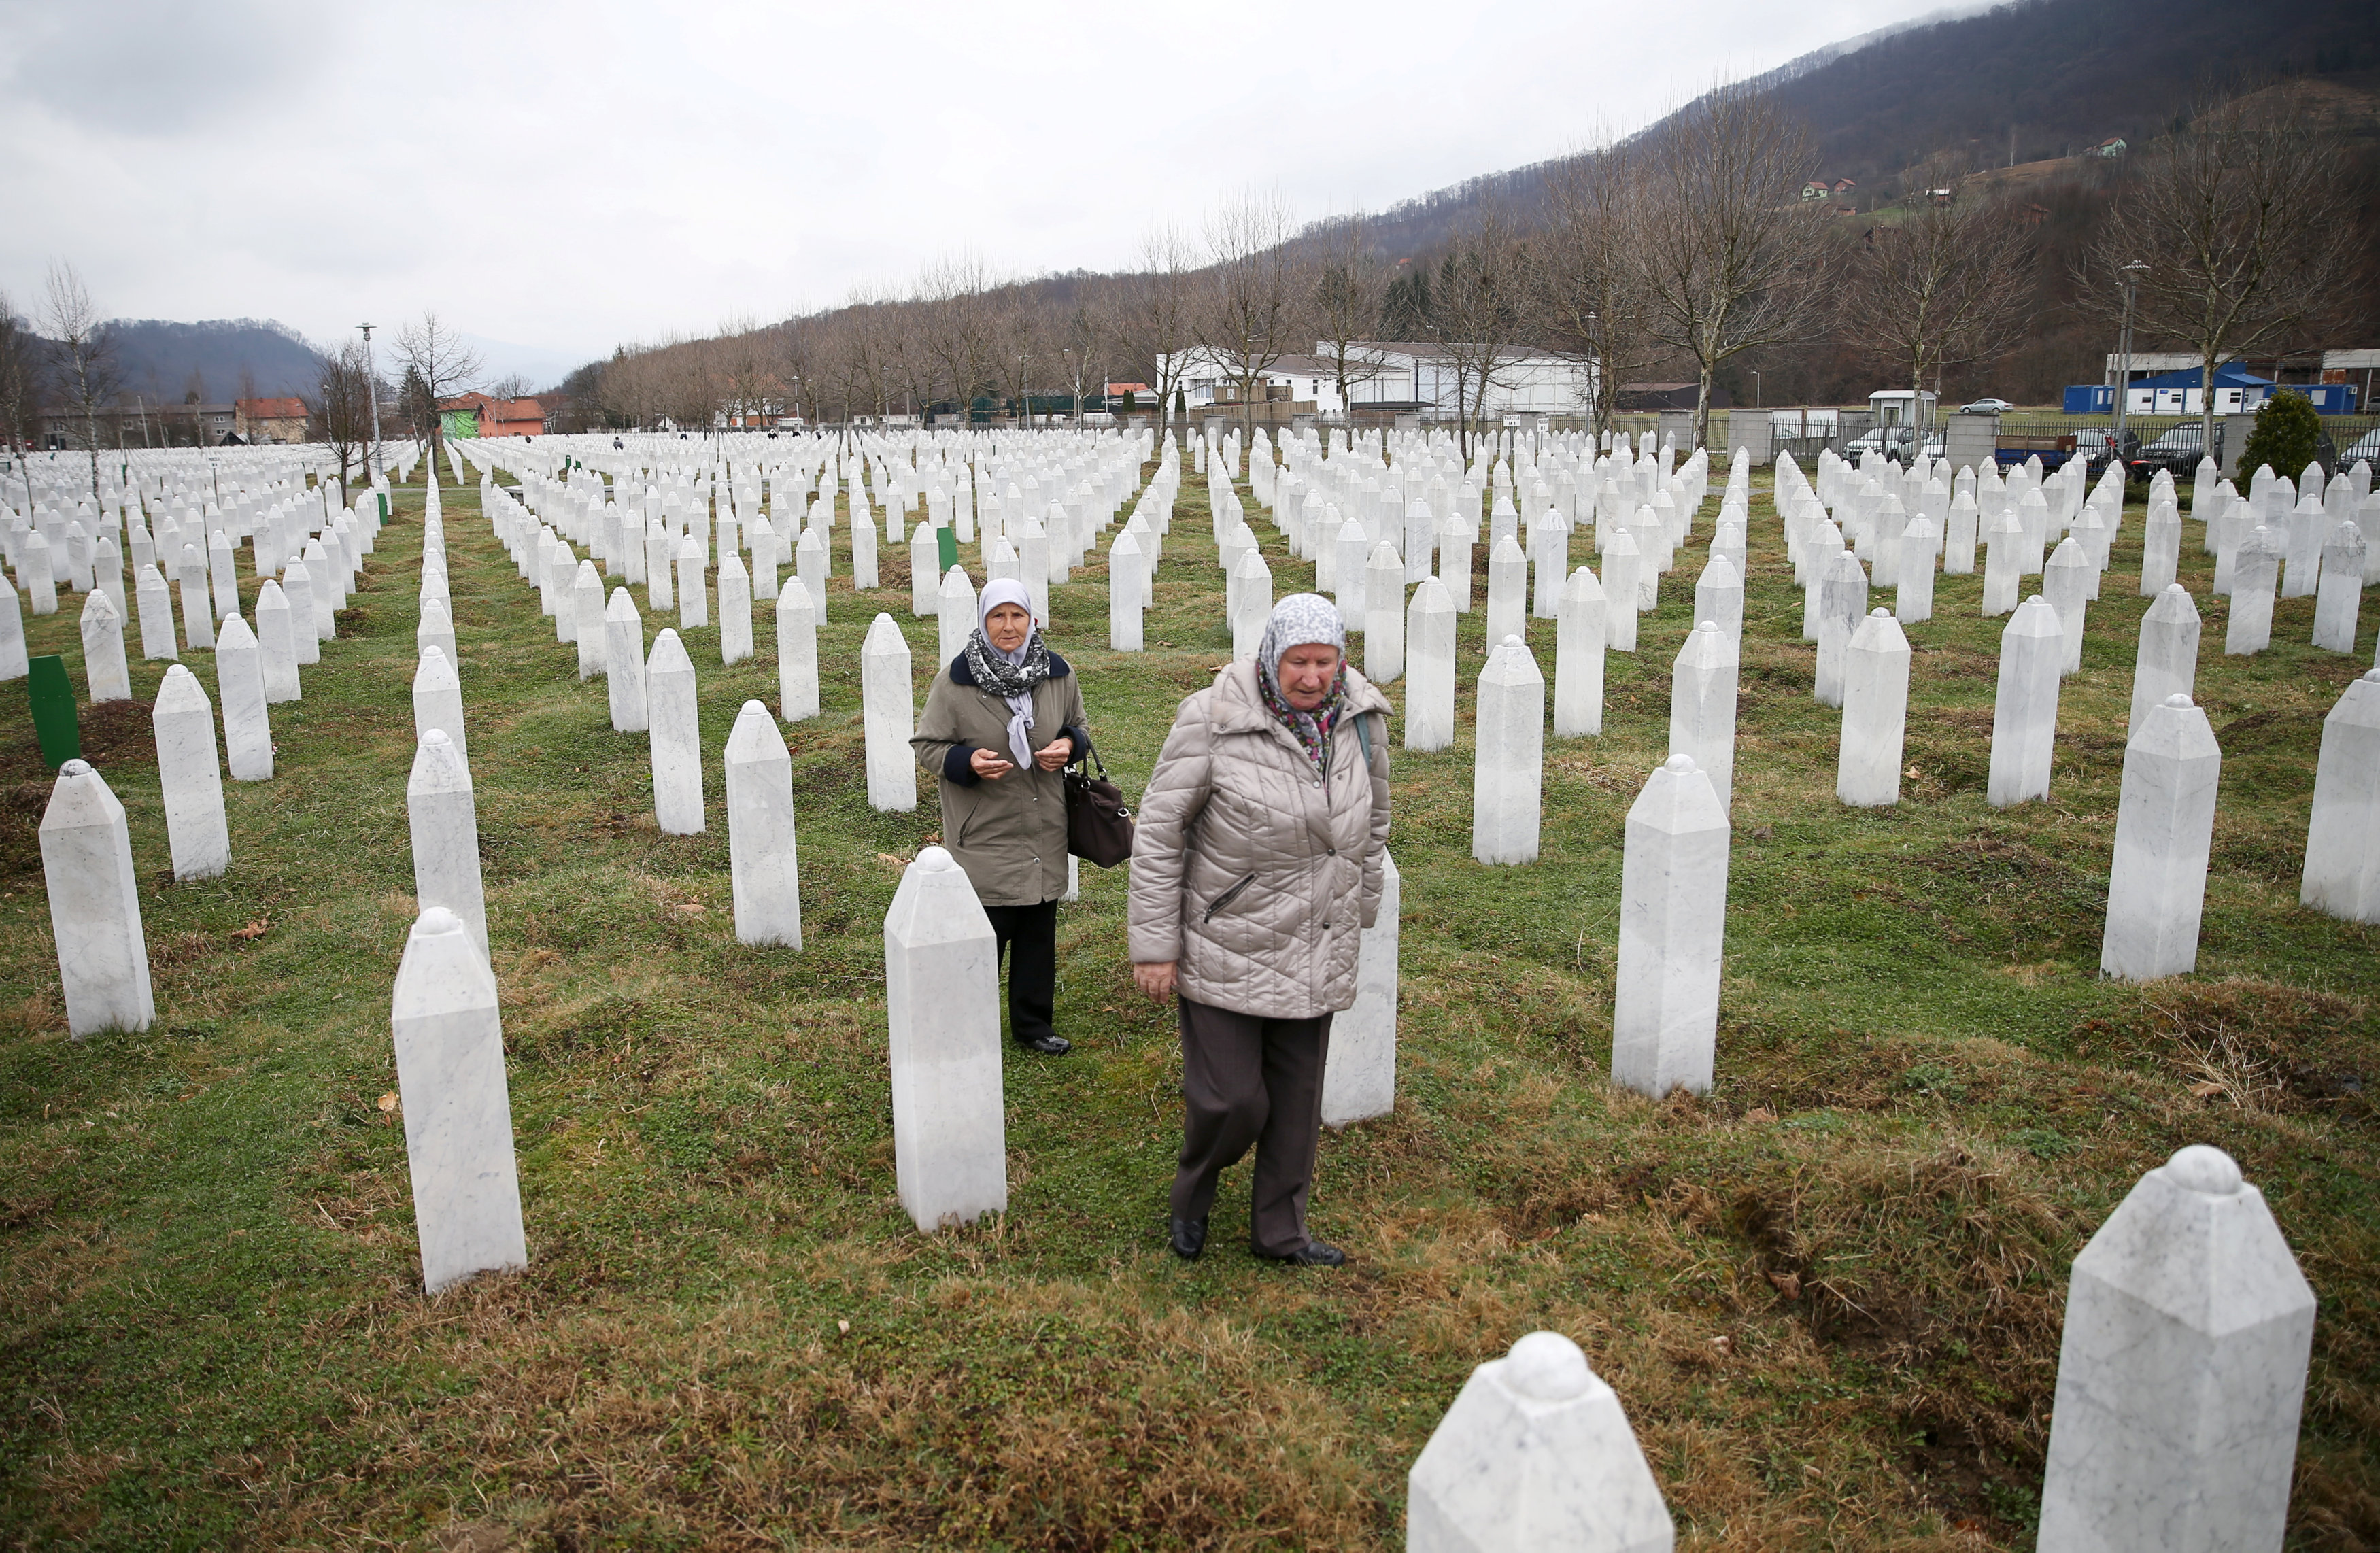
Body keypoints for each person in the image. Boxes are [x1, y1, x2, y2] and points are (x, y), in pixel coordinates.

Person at [1128, 594, 1391, 1266]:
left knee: (1298, 1102)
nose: (1310, 677)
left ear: (1342, 659)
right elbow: (1160, 833)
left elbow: (1373, 825)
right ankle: (1192, 1195)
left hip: (1317, 939)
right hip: (1228, 941)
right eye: (1296, 661)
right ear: (1270, 657)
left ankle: (1280, 1232)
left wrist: (1354, 915)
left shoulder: (1361, 724)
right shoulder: (1211, 719)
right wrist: (1155, 946)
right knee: (1232, 1101)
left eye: (1323, 661)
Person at [913, 579, 1090, 1056]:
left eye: (1018, 616)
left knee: (1037, 931)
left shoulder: (1057, 673)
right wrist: (967, 762)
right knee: (984, 933)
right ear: (983, 621)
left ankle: (1033, 1026)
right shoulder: (955, 681)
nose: (1008, 626)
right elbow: (927, 747)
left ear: (1033, 619)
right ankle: (966, 1025)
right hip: (984, 828)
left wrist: (1068, 745)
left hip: (1043, 826)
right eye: (998, 616)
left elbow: (1079, 725)